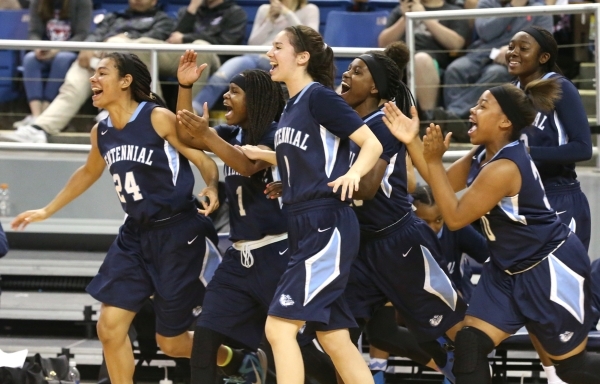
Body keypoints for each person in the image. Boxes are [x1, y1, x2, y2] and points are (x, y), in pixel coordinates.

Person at [10, 52, 221, 383]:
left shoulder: (157, 117)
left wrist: (211, 186)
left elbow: (203, 159)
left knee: (172, 343)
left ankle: (234, 360)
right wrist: (47, 210)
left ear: (125, 81)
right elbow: (88, 171)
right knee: (109, 327)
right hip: (135, 236)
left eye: (102, 73)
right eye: (93, 74)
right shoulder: (101, 131)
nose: (93, 79)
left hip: (178, 233)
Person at [383, 78, 600, 383]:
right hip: (506, 270)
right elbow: (439, 182)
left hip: (547, 268)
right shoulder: (484, 156)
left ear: (504, 122)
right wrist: (411, 140)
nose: (472, 110)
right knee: (469, 345)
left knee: (572, 368)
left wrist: (430, 158)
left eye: (482, 105)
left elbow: (455, 218)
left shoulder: (505, 167)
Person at [240, 24, 383, 384]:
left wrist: (354, 175)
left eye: (277, 47)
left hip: (326, 222)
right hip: (304, 220)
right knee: (333, 338)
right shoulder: (291, 106)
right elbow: (315, 155)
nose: (269, 54)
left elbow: (371, 144)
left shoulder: (320, 97)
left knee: (278, 329)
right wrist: (280, 169)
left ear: (302, 57)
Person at [338, 43, 465, 384]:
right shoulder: (347, 122)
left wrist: (308, 186)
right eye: (346, 70)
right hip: (360, 247)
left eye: (356, 71)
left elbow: (364, 188)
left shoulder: (383, 122)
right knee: (337, 337)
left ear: (376, 87)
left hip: (399, 242)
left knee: (455, 331)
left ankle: (464, 371)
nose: (346, 75)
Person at [174, 50, 288, 384]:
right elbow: (184, 134)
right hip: (239, 258)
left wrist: (207, 134)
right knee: (205, 339)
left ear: (257, 100)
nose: (226, 96)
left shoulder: (275, 135)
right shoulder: (231, 134)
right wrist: (184, 87)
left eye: (235, 92)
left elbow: (247, 165)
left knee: (295, 349)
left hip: (277, 254)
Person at [0, 0, 175, 144]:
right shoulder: (114, 17)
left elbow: (157, 38)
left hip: (132, 64)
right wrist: (88, 48)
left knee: (118, 47)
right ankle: (40, 128)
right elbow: (95, 35)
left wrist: (119, 42)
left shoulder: (163, 19)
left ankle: (113, 110)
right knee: (74, 82)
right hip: (100, 61)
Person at [507, 26, 592, 251]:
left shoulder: (561, 88)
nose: (513, 52)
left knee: (561, 281)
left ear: (543, 57)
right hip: (521, 197)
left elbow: (583, 148)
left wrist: (527, 154)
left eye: (523, 48)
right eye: (511, 47)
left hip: (558, 195)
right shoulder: (509, 93)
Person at [439, 0, 552, 141]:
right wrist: (513, 8)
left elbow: (544, 42)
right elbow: (486, 32)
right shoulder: (486, 4)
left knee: (494, 74)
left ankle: (453, 117)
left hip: (510, 60)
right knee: (455, 70)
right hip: (480, 53)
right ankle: (460, 126)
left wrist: (512, 50)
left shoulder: (539, 9)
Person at [191, 0, 319, 113]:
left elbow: (309, 41)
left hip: (283, 59)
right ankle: (193, 113)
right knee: (221, 77)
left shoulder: (310, 10)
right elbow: (253, 43)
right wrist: (270, 20)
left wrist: (287, 13)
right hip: (254, 57)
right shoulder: (264, 9)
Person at [111, 0, 248, 101]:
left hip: (215, 61)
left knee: (200, 46)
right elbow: (174, 37)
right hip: (184, 55)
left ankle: (189, 113)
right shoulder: (188, 11)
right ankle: (155, 106)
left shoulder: (235, 13)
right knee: (143, 44)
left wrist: (186, 38)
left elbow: (227, 44)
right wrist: (192, 8)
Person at [377, 0, 470, 133]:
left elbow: (456, 43)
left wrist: (424, 16)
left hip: (431, 61)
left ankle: (429, 120)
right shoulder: (401, 9)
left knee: (420, 60)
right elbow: (383, 43)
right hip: (400, 61)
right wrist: (405, 17)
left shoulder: (452, 10)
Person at [14, 0, 92, 128]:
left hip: (70, 51)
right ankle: (36, 116)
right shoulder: (37, 2)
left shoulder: (83, 2)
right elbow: (33, 32)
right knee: (29, 59)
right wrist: (38, 46)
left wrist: (57, 49)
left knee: (61, 59)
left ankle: (45, 115)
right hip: (45, 50)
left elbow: (82, 34)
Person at [412, 184, 489, 303]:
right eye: (425, 222)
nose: (432, 228)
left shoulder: (457, 228)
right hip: (420, 299)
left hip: (459, 293)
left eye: (438, 220)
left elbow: (488, 256)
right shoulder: (405, 235)